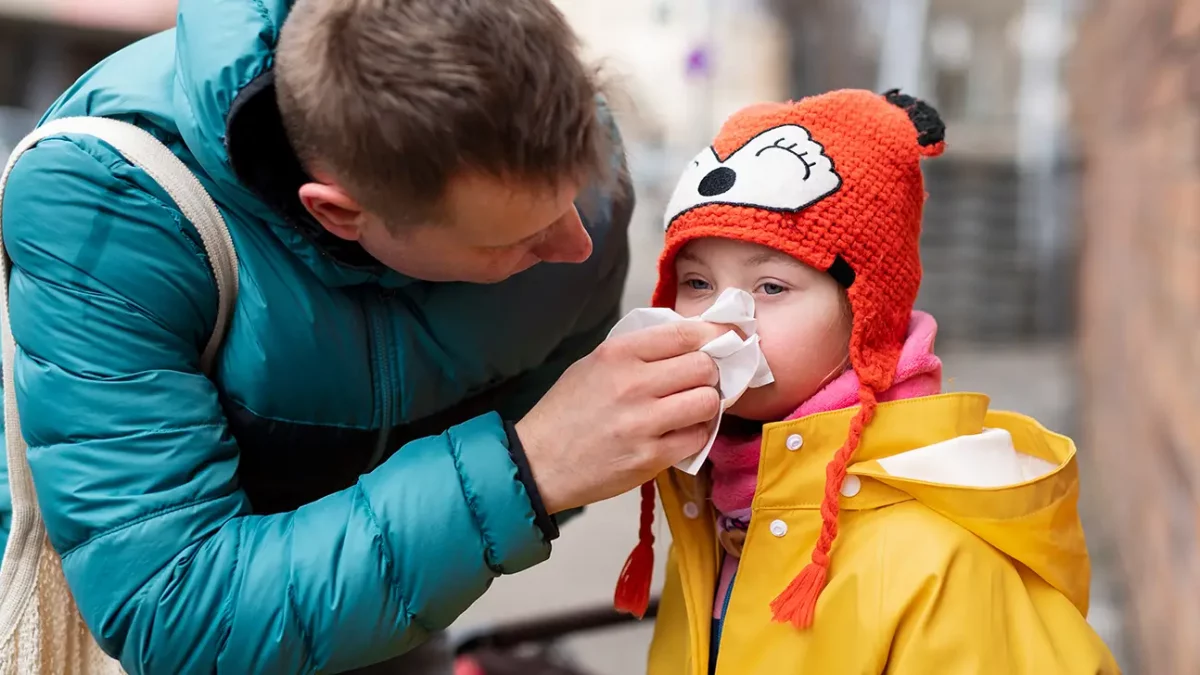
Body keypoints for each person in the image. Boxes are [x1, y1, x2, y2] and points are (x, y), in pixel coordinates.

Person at [0, 0, 728, 673]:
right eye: (515, 239)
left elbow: (566, 434)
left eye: (574, 195)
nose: (576, 244)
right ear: (340, 214)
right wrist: (529, 468)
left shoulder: (561, 157)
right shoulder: (107, 207)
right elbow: (174, 607)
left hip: (391, 619)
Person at [612, 89, 1121, 674]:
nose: (721, 320)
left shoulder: (942, 564)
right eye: (697, 283)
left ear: (867, 312)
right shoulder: (714, 504)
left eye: (771, 287)